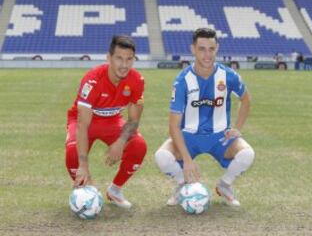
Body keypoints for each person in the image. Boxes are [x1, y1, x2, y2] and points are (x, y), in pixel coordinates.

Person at [154, 28, 255, 207]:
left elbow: (245, 99)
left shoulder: (229, 76)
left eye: (211, 49)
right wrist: (186, 160)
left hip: (220, 136)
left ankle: (224, 185)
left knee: (247, 154)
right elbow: (174, 125)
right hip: (190, 136)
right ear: (193, 49)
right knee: (161, 156)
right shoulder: (182, 80)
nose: (207, 54)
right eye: (202, 49)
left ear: (217, 48)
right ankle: (183, 185)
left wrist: (237, 128)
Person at [65, 35, 147, 209]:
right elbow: (82, 125)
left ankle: (115, 190)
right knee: (73, 153)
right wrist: (83, 165)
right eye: (119, 58)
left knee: (139, 145)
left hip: (112, 120)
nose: (124, 65)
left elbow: (133, 120)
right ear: (109, 58)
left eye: (129, 59)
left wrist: (120, 142)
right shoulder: (92, 80)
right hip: (85, 121)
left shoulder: (137, 80)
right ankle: (87, 190)